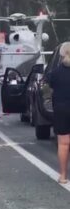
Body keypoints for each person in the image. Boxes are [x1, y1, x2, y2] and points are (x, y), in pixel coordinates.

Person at [48, 42, 70, 183]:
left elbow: (50, 88)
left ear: (61, 55)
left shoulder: (55, 73)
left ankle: (63, 175)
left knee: (63, 144)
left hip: (61, 109)